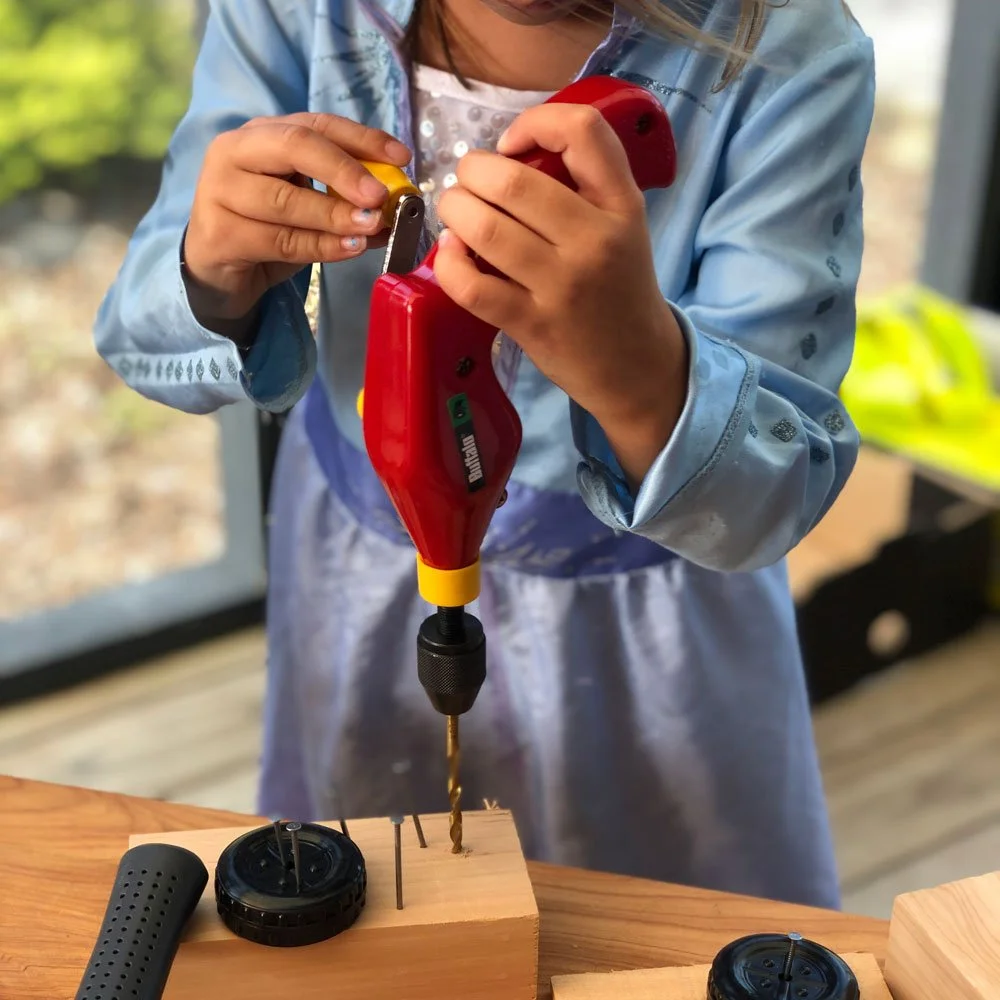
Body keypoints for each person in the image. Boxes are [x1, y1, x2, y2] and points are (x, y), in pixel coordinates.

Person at [93, 0, 875, 908]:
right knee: (370, 911)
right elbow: (142, 331)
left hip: (650, 640)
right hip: (355, 586)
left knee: (637, 924)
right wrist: (208, 264)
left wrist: (636, 370)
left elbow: (776, 487)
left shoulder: (783, 53)